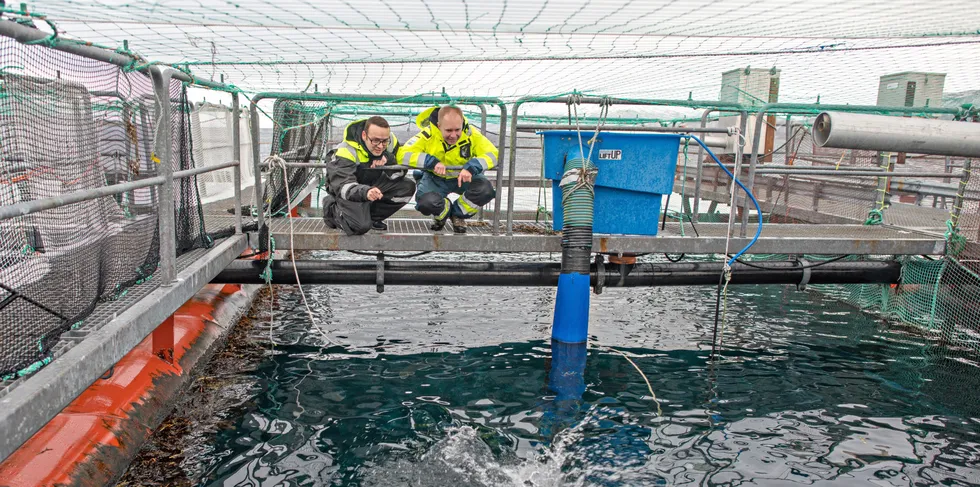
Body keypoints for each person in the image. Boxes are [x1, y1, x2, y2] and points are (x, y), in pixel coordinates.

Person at [396, 106, 497, 234]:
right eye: (448, 130)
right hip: (435, 178)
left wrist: (471, 168)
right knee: (426, 203)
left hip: (463, 177)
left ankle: (458, 215)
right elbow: (402, 155)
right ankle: (443, 212)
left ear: (462, 125)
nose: (453, 135)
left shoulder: (471, 134)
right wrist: (430, 162)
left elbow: (493, 154)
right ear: (439, 126)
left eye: (457, 130)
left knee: (485, 190)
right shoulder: (427, 135)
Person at [322, 116, 416, 235]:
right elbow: (343, 187)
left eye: (384, 141)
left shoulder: (391, 142)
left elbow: (399, 174)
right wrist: (366, 192)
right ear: (364, 136)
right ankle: (331, 211)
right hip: (349, 191)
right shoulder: (345, 151)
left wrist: (388, 159)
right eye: (375, 141)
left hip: (371, 185)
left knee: (407, 187)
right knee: (359, 227)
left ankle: (371, 218)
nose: (381, 146)